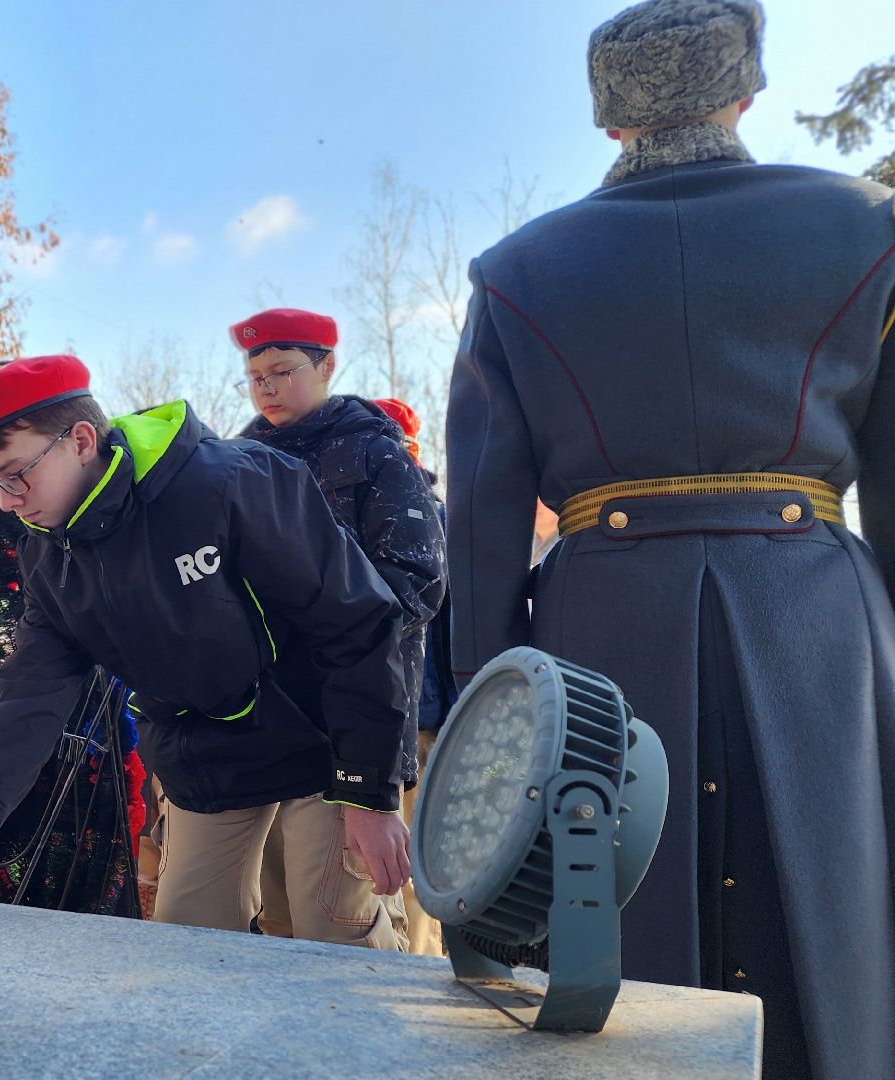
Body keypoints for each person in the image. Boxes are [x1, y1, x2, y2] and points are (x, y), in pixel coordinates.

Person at [447, 2, 895, 1074]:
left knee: (614, 932)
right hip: (820, 622)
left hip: (600, 623)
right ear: (745, 91)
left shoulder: (514, 271)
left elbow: (482, 526)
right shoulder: (869, 227)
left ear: (609, 123)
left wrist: (485, 715)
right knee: (838, 916)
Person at [0, 355, 411, 943]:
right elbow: (29, 702)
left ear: (80, 440)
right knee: (185, 940)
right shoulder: (48, 559)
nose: (7, 501)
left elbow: (357, 623)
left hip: (323, 741)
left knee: (331, 935)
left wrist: (369, 791)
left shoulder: (231, 482)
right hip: (205, 758)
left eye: (16, 474)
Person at [230, 311, 443, 951]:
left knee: (352, 918)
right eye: (255, 375)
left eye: (283, 371)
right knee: (272, 917)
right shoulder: (232, 462)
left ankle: (378, 1046)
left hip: (353, 721)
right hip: (259, 722)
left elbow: (416, 583)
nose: (266, 387)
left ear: (326, 367)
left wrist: (319, 615)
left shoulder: (377, 453)